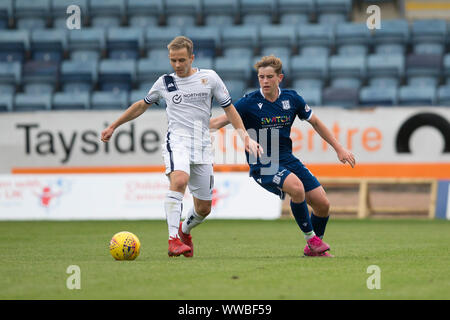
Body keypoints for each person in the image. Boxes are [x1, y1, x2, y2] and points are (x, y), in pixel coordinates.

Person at [101, 36, 261, 258]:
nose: (177, 65)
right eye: (173, 60)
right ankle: (173, 240)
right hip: (177, 140)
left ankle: (185, 231)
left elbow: (230, 110)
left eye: (182, 60)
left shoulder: (210, 78)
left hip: (202, 144)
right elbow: (140, 106)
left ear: (192, 58)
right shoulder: (165, 82)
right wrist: (114, 126)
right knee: (179, 180)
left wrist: (245, 137)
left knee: (204, 208)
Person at [210, 55, 356, 257]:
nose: (265, 81)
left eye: (269, 76)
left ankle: (314, 247)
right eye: (261, 77)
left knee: (323, 204)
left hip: (287, 158)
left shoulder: (292, 98)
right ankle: (311, 239)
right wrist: (190, 126)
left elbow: (316, 123)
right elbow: (217, 122)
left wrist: (339, 148)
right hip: (262, 161)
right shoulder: (248, 102)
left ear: (280, 77)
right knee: (296, 188)